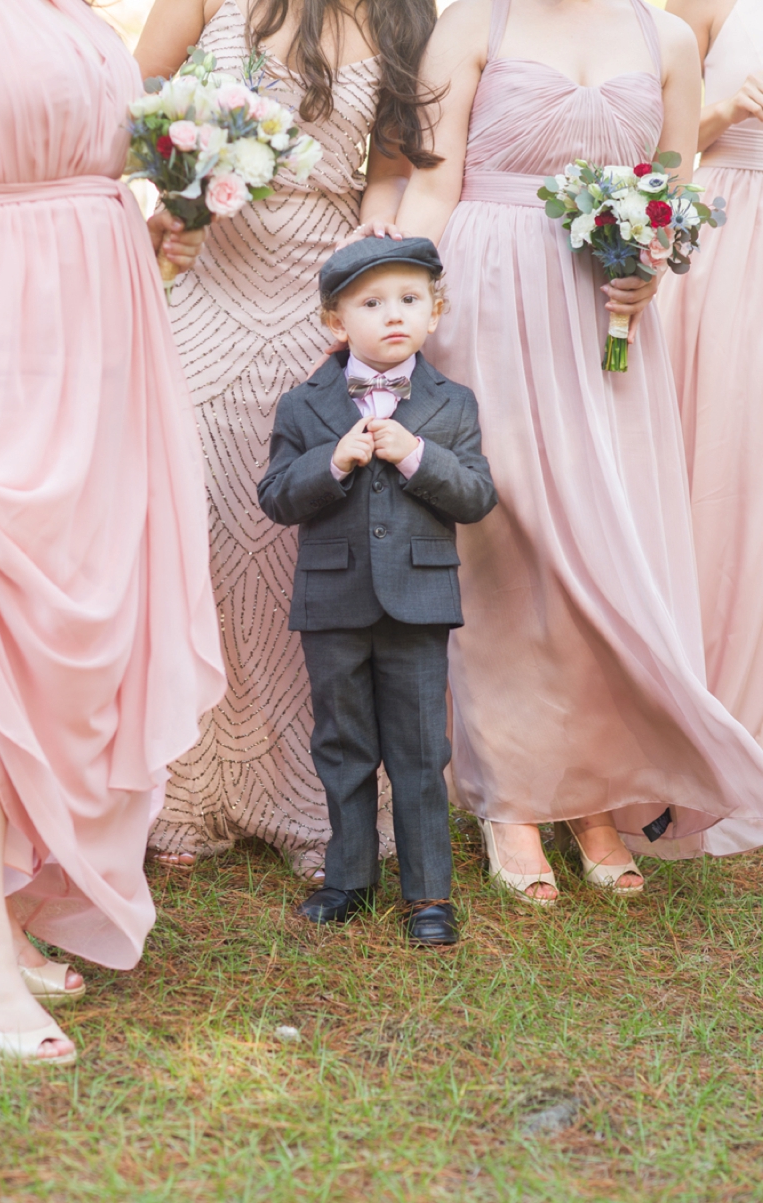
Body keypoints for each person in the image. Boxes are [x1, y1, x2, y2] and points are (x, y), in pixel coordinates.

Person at [381, 0, 763, 901]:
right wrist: (404, 317)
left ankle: (591, 793)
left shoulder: (665, 39)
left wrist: (649, 263)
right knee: (506, 541)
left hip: (605, 319)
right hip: (487, 294)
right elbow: (432, 184)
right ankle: (511, 796)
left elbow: (670, 194)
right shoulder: (476, 24)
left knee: (603, 540)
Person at [0, 0, 225, 1063]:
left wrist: (151, 210)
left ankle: (6, 900)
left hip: (98, 322)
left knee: (63, 623)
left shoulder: (75, 9)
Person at [134, 0, 439, 878]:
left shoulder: (400, 14)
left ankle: (311, 797)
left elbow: (391, 164)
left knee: (307, 542)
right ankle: (182, 787)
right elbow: (131, 104)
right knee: (197, 527)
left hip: (320, 297)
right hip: (207, 270)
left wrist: (367, 241)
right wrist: (175, 189)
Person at [257, 236, 497, 944]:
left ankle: (428, 895)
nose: (394, 315)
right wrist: (332, 461)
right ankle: (349, 878)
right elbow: (274, 497)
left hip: (419, 602)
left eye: (410, 300)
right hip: (332, 603)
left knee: (422, 749)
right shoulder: (304, 407)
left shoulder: (452, 405)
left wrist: (416, 454)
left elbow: (477, 495)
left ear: (434, 313)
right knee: (343, 742)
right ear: (337, 322)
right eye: (372, 303)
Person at [657, 0, 763, 857]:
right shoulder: (701, 7)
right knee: (725, 476)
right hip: (734, 254)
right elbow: (647, 156)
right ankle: (701, 729)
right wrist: (720, 115)